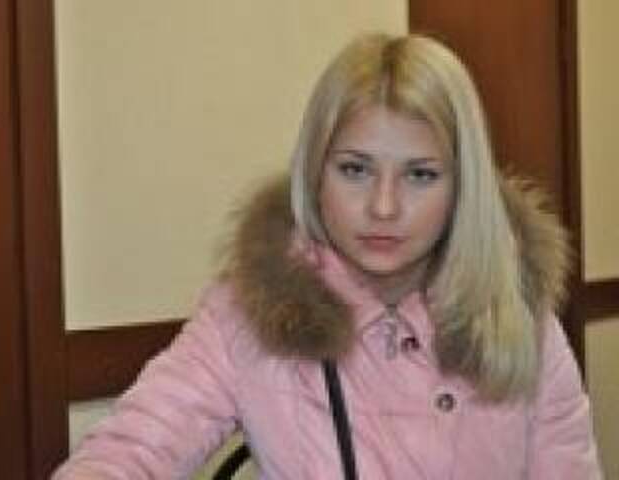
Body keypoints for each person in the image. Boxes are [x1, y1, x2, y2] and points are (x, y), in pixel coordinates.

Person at [53, 33, 603, 479]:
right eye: (355, 169)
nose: (384, 207)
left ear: (464, 187)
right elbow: (135, 447)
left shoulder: (521, 321)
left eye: (420, 175)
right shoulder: (247, 316)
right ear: (314, 172)